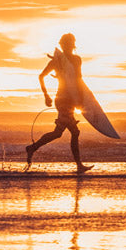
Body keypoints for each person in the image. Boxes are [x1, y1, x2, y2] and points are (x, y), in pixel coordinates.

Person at [25, 33, 93, 173]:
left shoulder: (76, 60)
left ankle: (32, 148)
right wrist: (46, 96)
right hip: (62, 100)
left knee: (62, 133)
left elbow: (78, 79)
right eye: (66, 44)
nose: (68, 46)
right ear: (63, 45)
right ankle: (79, 165)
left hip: (71, 100)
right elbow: (41, 76)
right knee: (73, 132)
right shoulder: (56, 61)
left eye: (70, 43)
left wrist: (80, 99)